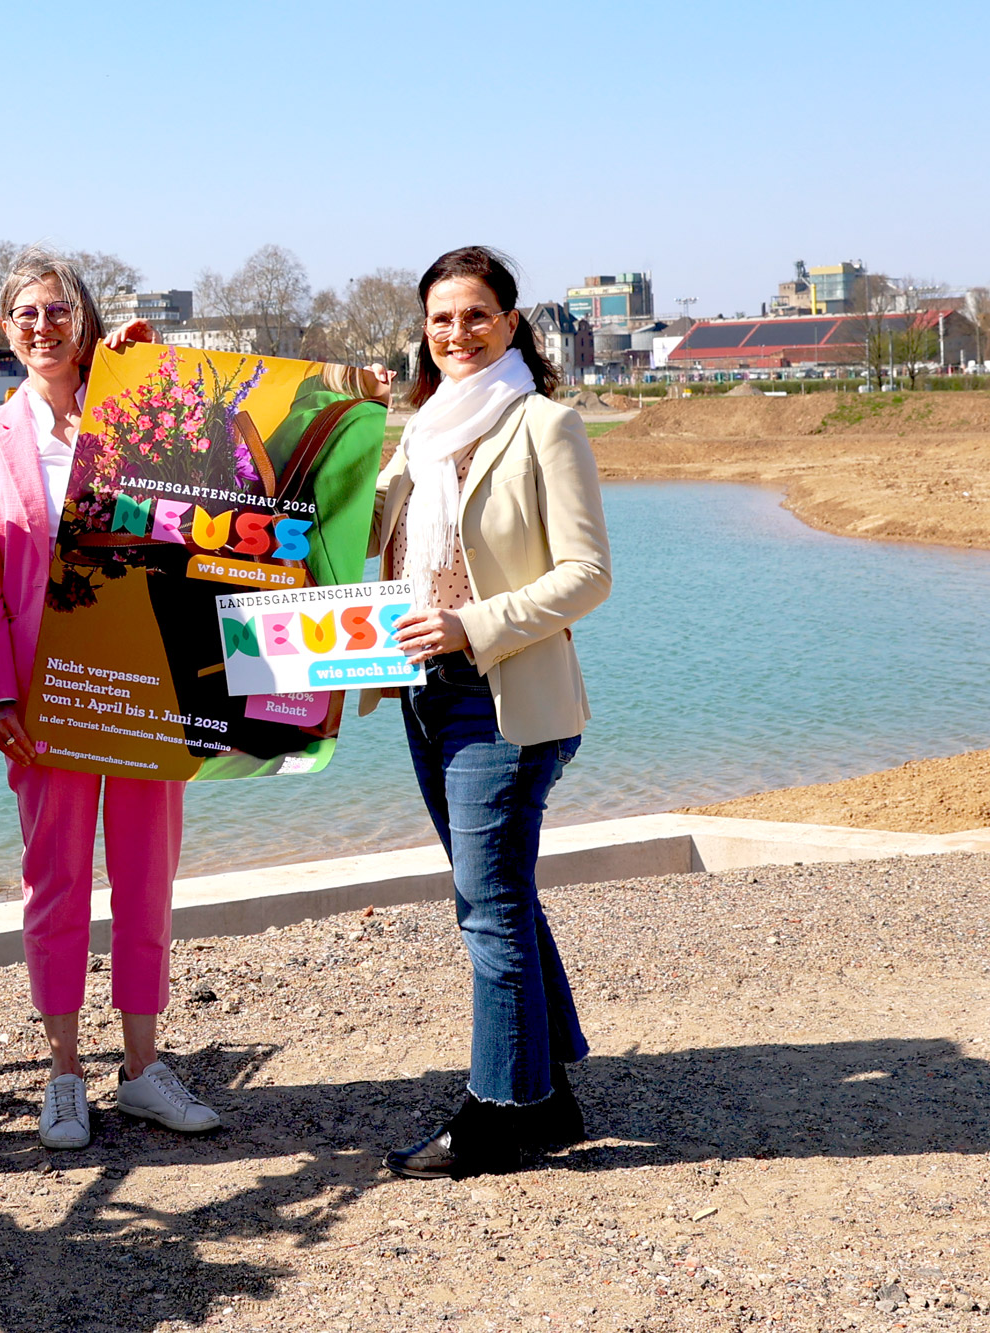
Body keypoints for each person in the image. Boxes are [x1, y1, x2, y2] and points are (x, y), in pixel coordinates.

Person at [0, 247, 219, 1151]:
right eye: (25, 312)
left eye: (58, 310)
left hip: (146, 686)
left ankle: (143, 1068)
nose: (42, 326)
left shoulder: (139, 413)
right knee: (56, 881)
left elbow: (212, 492)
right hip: (46, 697)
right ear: (4, 329)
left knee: (147, 876)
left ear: (86, 322)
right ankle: (63, 1071)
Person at [363, 245, 611, 1179]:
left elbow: (588, 574)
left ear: (511, 321)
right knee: (501, 890)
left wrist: (471, 624)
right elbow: (369, 540)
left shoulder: (546, 424)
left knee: (488, 904)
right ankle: (549, 1093)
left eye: (474, 314)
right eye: (440, 318)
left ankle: (496, 1111)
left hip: (506, 702)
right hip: (425, 697)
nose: (456, 333)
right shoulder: (418, 431)